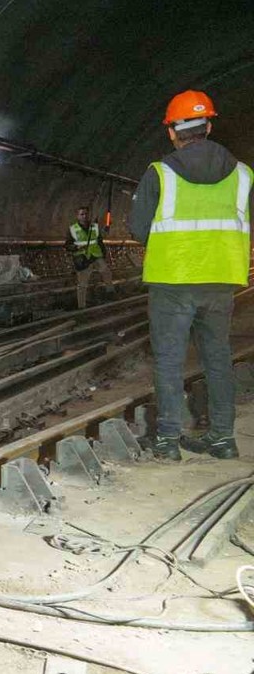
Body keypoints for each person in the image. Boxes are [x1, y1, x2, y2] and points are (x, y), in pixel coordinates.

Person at [130, 90, 251, 461]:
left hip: (173, 280)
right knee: (217, 356)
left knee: (169, 359)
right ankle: (222, 439)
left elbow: (138, 229)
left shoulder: (160, 173)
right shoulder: (244, 175)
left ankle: (167, 441)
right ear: (209, 126)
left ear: (172, 132)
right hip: (220, 280)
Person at [67, 205, 109, 309]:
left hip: (95, 256)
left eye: (86, 214)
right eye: (82, 214)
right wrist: (76, 247)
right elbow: (67, 245)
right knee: (82, 284)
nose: (84, 216)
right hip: (83, 258)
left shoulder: (94, 227)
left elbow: (100, 242)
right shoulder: (73, 229)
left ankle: (109, 295)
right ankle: (82, 307)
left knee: (106, 272)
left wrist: (104, 255)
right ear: (77, 216)